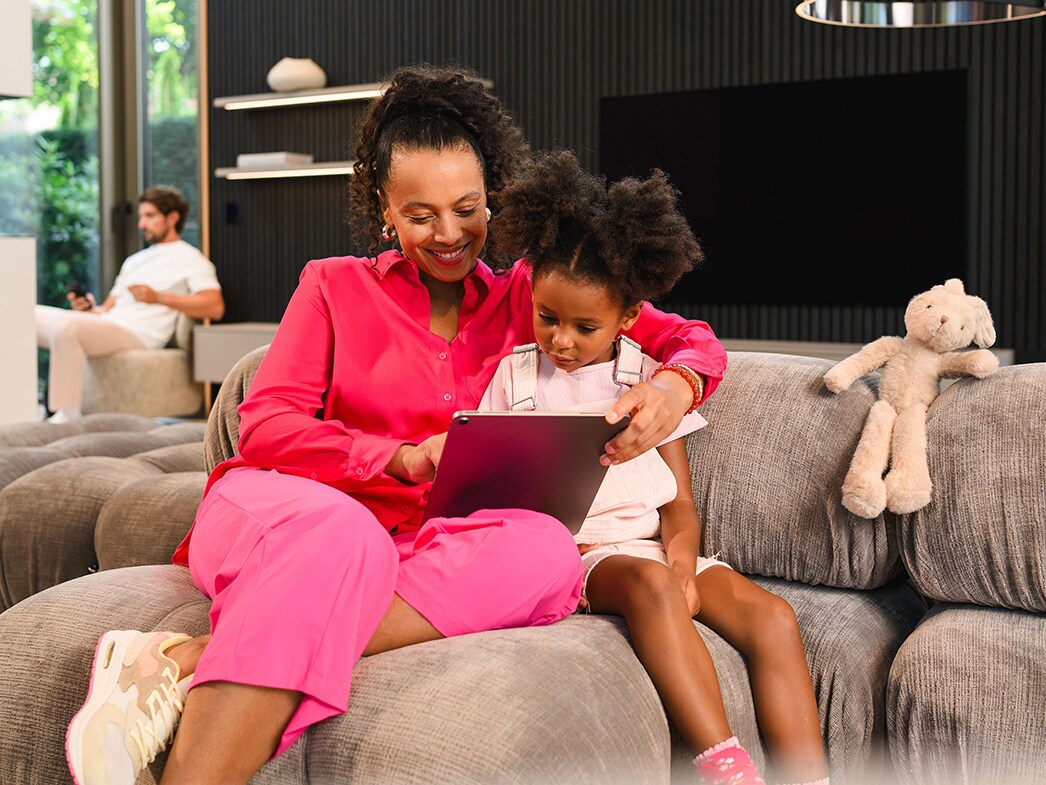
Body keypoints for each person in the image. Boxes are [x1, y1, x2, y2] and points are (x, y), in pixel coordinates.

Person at [63, 66, 728, 785]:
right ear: (384, 205)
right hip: (289, 510)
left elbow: (690, 338)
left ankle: (182, 658)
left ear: (494, 196)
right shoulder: (331, 285)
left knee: (547, 551)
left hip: (417, 547)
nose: (449, 234)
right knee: (344, 535)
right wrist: (400, 457)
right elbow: (267, 427)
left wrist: (677, 383)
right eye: (420, 215)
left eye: (467, 209)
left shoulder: (531, 298)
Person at [479, 151, 829, 785]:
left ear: (627, 318)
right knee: (652, 586)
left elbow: (679, 505)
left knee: (774, 617)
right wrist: (661, 578)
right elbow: (494, 495)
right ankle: (726, 767)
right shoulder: (514, 380)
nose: (561, 340)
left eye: (585, 326)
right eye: (547, 317)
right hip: (585, 557)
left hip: (657, 551)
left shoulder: (648, 382)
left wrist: (683, 566)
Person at [34, 186, 225, 422]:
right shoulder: (134, 261)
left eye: (150, 216)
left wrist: (159, 297)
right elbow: (106, 309)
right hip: (112, 325)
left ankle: (67, 415)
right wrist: (89, 310)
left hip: (139, 334)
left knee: (66, 326)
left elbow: (214, 307)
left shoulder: (192, 259)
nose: (141, 224)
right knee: (23, 314)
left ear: (172, 218)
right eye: (141, 216)